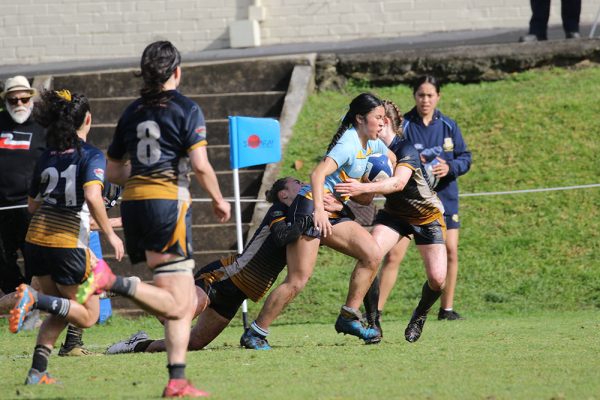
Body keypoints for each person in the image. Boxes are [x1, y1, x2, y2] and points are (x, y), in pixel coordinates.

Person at [96, 40, 230, 398]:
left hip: (135, 204)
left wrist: (141, 172)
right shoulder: (186, 108)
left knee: (178, 303)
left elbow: (113, 170)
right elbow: (200, 165)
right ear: (177, 72)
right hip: (167, 205)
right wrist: (219, 199)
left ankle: (176, 380)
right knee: (180, 303)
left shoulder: (131, 112)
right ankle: (114, 282)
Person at [105, 177, 340, 353]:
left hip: (238, 294)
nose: (304, 186)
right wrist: (312, 216)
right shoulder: (277, 211)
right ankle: (132, 288)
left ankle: (137, 345)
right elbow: (282, 237)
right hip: (221, 277)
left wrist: (327, 212)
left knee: (193, 343)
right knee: (174, 319)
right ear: (284, 195)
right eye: (297, 183)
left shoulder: (296, 217)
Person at [240, 93, 395, 348]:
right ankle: (255, 333)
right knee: (298, 280)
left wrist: (372, 184)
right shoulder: (348, 143)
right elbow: (317, 173)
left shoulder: (373, 145)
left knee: (372, 254)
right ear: (359, 118)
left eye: (384, 117)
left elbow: (393, 160)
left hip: (333, 210)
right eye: (378, 117)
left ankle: (348, 316)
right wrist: (320, 210)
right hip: (310, 208)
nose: (382, 122)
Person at [8, 89, 125, 385]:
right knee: (87, 314)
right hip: (66, 242)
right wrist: (111, 234)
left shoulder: (47, 155)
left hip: (35, 239)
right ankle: (34, 298)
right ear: (88, 119)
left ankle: (37, 370)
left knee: (61, 308)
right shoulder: (90, 155)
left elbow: (33, 205)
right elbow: (92, 195)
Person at [336, 99, 447, 344]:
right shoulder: (370, 151)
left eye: (375, 119)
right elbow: (365, 199)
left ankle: (420, 314)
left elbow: (397, 183)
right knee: (370, 255)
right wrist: (353, 189)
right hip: (395, 215)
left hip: (427, 216)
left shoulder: (406, 148)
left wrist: (363, 185)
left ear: (384, 121)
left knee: (438, 279)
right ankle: (373, 322)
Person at [373, 76, 472, 323]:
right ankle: (376, 311)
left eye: (430, 95)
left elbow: (465, 157)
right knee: (393, 255)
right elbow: (391, 154)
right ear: (414, 96)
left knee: (450, 251)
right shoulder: (404, 125)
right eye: (420, 95)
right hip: (409, 202)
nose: (425, 100)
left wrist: (450, 167)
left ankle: (446, 309)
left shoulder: (449, 126)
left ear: (438, 96)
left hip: (444, 198)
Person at [0, 76, 46, 295]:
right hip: (2, 208)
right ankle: (15, 296)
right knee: (2, 260)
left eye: (24, 99)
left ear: (31, 99)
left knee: (35, 258)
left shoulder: (43, 127)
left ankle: (32, 301)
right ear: (6, 101)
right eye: (13, 100)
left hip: (31, 207)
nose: (19, 104)